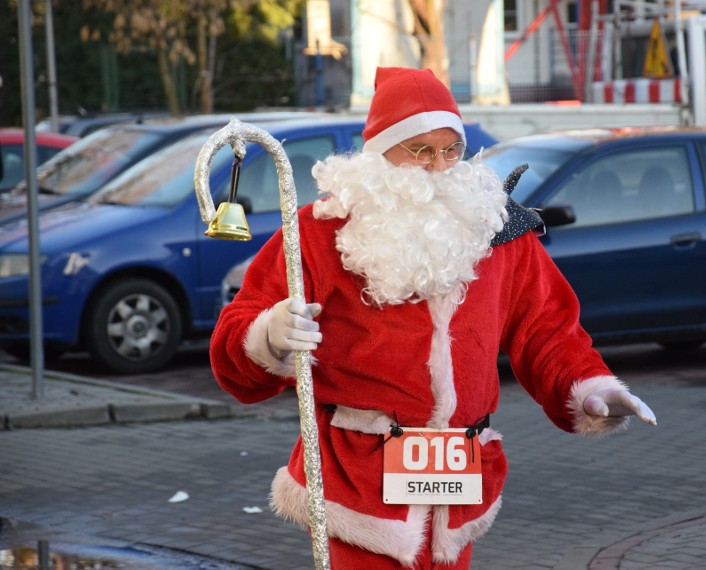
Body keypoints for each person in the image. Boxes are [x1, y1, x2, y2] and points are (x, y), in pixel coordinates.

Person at [210, 66, 657, 569]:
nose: (439, 168)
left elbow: (547, 331)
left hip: (461, 478)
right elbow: (235, 346)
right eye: (420, 151)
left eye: (451, 150)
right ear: (379, 155)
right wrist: (268, 336)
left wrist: (591, 387)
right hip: (357, 480)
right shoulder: (316, 235)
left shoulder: (496, 231)